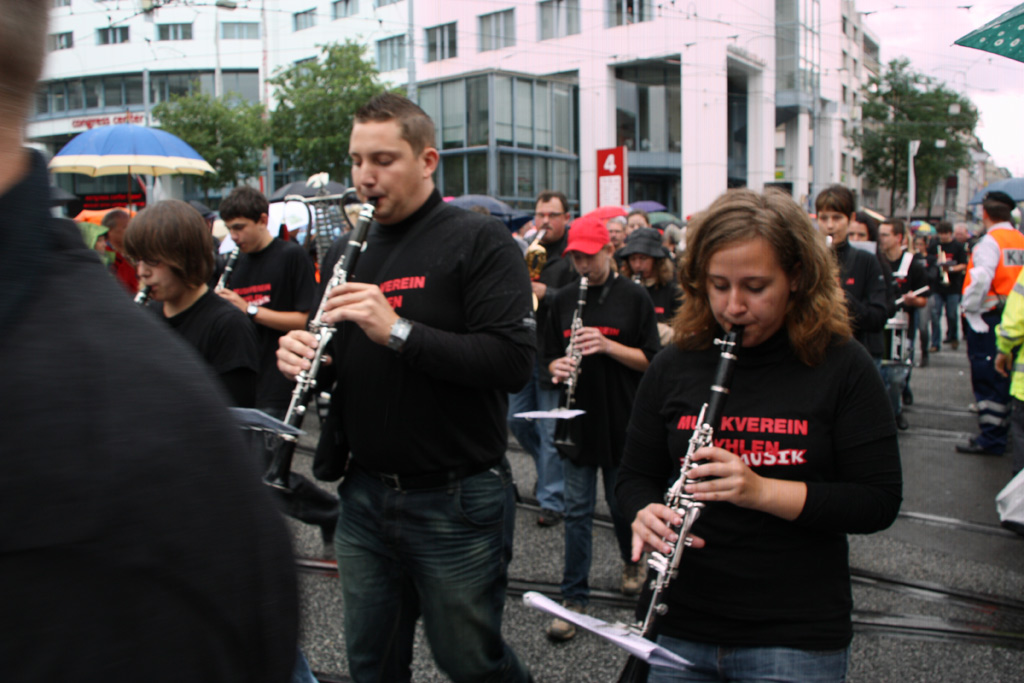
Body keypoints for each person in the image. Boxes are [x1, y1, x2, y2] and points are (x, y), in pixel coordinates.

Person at [0, 4, 298, 679]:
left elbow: (239, 405)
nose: (145, 274)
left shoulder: (133, 430)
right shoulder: (132, 337)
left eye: (155, 263)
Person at [277, 93, 534, 683]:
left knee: (470, 662)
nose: (366, 176)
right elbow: (346, 356)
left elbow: (513, 361)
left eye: (384, 159)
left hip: (455, 496)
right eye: (357, 160)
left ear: (427, 160)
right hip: (365, 494)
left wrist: (396, 330)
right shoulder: (347, 248)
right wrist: (311, 359)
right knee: (371, 661)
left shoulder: (478, 240)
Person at [617, 188, 902, 682]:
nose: (734, 306)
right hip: (680, 622)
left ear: (796, 277)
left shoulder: (842, 365)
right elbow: (633, 476)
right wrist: (642, 513)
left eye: (755, 286)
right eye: (718, 285)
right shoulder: (676, 365)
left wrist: (760, 490)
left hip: (793, 631)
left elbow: (877, 500)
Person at [542, 215, 660, 640]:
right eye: (575, 257)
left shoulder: (634, 298)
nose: (582, 266)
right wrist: (554, 365)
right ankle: (573, 597)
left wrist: (608, 346)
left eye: (589, 257)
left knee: (623, 505)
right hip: (577, 421)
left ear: (609, 251)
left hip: (623, 419)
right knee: (576, 512)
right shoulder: (561, 298)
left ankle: (632, 564)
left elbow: (652, 360)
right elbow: (545, 358)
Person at [125, 200, 260, 407]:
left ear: (185, 256)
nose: (142, 272)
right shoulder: (147, 316)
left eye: (153, 260)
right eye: (138, 260)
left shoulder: (229, 326)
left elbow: (234, 417)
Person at [216, 185, 317, 415]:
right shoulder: (234, 263)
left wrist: (249, 310)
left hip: (277, 381)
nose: (234, 237)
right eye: (230, 229)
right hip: (245, 377)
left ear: (262, 220)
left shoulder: (291, 255)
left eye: (239, 228)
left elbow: (306, 320)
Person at [509, 189, 577, 527]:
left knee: (551, 432)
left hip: (553, 354)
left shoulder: (573, 255)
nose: (545, 221)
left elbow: (582, 295)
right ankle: (549, 472)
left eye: (552, 215)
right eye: (540, 215)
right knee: (516, 421)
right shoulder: (527, 249)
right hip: (525, 350)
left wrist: (547, 293)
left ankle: (552, 500)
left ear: (567, 218)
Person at [958, 191, 1024, 455]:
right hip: (1014, 316)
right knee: (1008, 376)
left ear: (984, 214)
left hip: (990, 317)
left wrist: (969, 309)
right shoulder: (1020, 240)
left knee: (988, 376)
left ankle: (991, 437)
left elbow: (981, 279)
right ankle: (1004, 431)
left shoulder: (989, 242)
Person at [816, 186, 890, 363]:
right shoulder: (811, 260)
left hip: (857, 356)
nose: (830, 225)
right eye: (823, 218)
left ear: (851, 219)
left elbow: (878, 318)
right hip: (819, 355)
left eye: (837, 218)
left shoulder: (866, 261)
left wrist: (843, 297)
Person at [877, 218, 927, 430]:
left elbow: (923, 298)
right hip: (879, 323)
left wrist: (912, 300)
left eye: (885, 235)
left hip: (902, 326)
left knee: (896, 375)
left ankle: (896, 411)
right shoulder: (875, 260)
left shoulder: (912, 264)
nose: (881, 239)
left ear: (899, 237)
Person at [619, 226, 682, 346]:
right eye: (633, 259)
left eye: (643, 258)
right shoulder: (625, 288)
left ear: (656, 260)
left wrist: (655, 330)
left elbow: (684, 333)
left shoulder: (673, 289)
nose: (637, 265)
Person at [927, 220, 968, 352]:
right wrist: (936, 262)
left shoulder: (957, 247)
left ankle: (953, 336)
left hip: (953, 285)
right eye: (941, 234)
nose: (943, 236)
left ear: (950, 233)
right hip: (937, 286)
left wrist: (951, 269)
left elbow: (964, 264)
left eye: (945, 234)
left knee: (951, 314)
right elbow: (928, 259)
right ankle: (935, 343)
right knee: (935, 314)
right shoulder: (934, 246)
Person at [99, 207, 140, 294]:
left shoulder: (135, 251)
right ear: (109, 230)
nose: (131, 230)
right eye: (125, 227)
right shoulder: (104, 255)